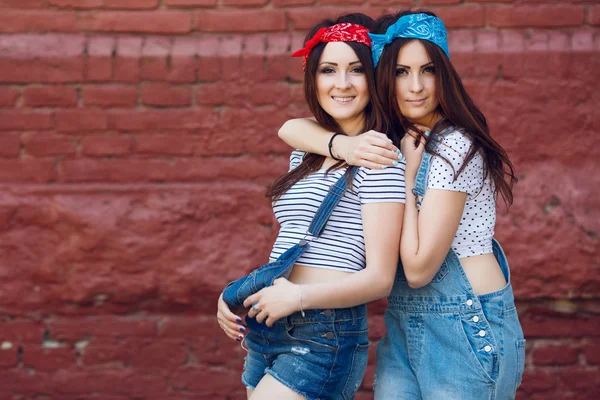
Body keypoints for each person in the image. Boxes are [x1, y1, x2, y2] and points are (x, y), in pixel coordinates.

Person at [275, 10, 526, 400]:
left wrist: (407, 178)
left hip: (467, 324)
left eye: (428, 70)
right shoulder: (393, 137)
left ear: (444, 75)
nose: (416, 87)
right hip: (406, 324)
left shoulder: (454, 145)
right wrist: (343, 145)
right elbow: (291, 128)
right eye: (400, 72)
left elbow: (419, 266)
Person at [216, 14, 407, 400]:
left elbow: (380, 279)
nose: (341, 83)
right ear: (312, 79)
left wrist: (297, 298)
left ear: (375, 77)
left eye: (356, 69)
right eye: (327, 70)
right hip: (270, 322)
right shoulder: (308, 152)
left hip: (324, 332)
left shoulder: (380, 158)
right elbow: (295, 239)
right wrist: (235, 295)